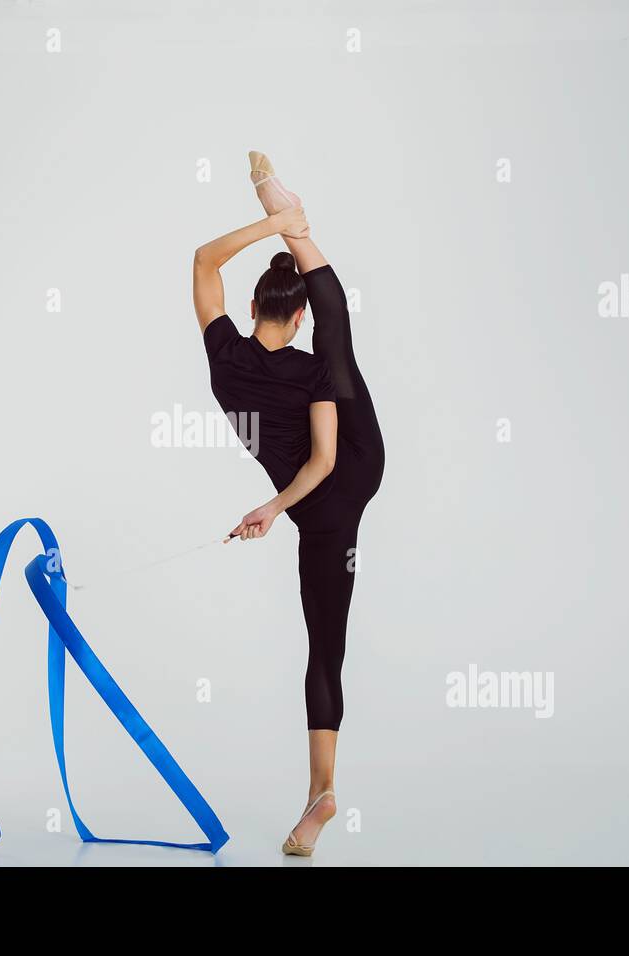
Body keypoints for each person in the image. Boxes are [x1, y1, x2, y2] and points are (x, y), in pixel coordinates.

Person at [192, 152, 385, 856]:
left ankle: (319, 795)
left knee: (323, 650)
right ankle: (296, 226)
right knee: (344, 340)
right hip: (352, 469)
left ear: (251, 310)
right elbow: (328, 458)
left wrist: (273, 507)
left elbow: (202, 263)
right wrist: (284, 228)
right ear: (295, 317)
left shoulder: (223, 360)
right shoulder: (313, 366)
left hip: (324, 500)